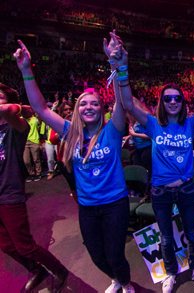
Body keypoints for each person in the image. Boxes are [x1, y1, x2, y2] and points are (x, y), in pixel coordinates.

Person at [14, 34, 135, 293]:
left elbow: (124, 102)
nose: (89, 107)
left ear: (102, 109)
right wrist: (26, 70)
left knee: (115, 254)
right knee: (96, 255)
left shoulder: (112, 130)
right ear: (78, 109)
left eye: (94, 103)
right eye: (83, 104)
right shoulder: (71, 131)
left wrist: (117, 66)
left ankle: (125, 283)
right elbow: (41, 109)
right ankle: (115, 278)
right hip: (88, 206)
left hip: (115, 203)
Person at [118, 39, 194, 292]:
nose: (173, 101)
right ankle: (170, 272)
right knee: (166, 237)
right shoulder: (154, 124)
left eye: (177, 97)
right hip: (161, 191)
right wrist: (122, 67)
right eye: (168, 98)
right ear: (162, 102)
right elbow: (127, 103)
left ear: (182, 100)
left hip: (187, 188)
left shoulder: (190, 123)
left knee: (191, 232)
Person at [0, 82, 68, 292]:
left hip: (10, 194)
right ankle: (36, 270)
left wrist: (18, 106)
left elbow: (9, 110)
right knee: (5, 244)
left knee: (24, 245)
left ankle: (59, 270)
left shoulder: (16, 126)